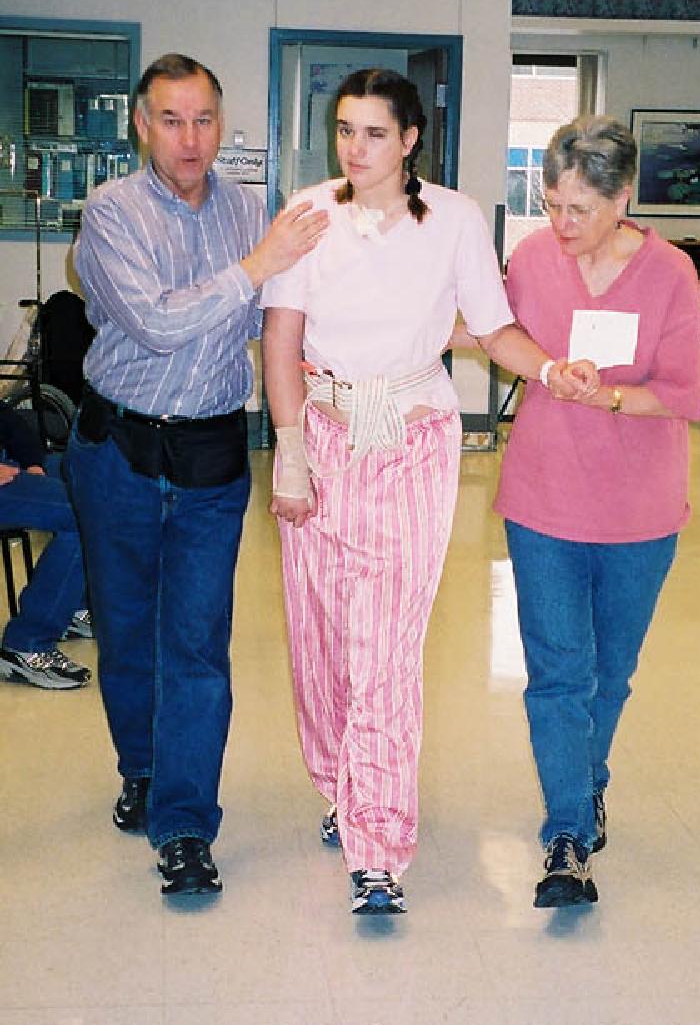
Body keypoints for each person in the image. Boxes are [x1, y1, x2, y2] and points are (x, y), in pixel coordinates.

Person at [261, 67, 595, 916]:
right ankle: (340, 782)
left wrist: (550, 369)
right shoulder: (308, 212)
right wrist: (290, 452)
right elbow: (282, 337)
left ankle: (379, 847)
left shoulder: (453, 218)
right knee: (322, 639)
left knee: (386, 647)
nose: (355, 148)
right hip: (323, 434)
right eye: (345, 130)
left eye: (375, 133)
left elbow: (493, 327)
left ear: (410, 139)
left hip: (413, 441)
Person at [64, 53, 328, 898]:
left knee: (197, 643)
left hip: (212, 455)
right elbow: (155, 322)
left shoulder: (250, 210)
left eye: (204, 120)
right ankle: (142, 768)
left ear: (222, 123)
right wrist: (254, 267)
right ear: (142, 125)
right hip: (118, 450)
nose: (190, 138)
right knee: (126, 631)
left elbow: (281, 319)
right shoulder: (111, 212)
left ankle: (184, 825)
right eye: (172, 120)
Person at [494, 115, 700, 909]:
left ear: (623, 198)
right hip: (542, 500)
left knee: (607, 675)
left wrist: (607, 394)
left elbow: (681, 392)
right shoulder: (531, 258)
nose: (561, 222)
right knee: (558, 674)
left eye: (579, 208)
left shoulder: (670, 273)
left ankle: (587, 783)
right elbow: (496, 331)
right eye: (551, 204)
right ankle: (568, 835)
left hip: (639, 512)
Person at [0, 401, 91, 690]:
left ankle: (72, 606)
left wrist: (33, 463)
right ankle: (28, 645)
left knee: (97, 478)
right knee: (85, 513)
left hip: (9, 462)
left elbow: (7, 419)